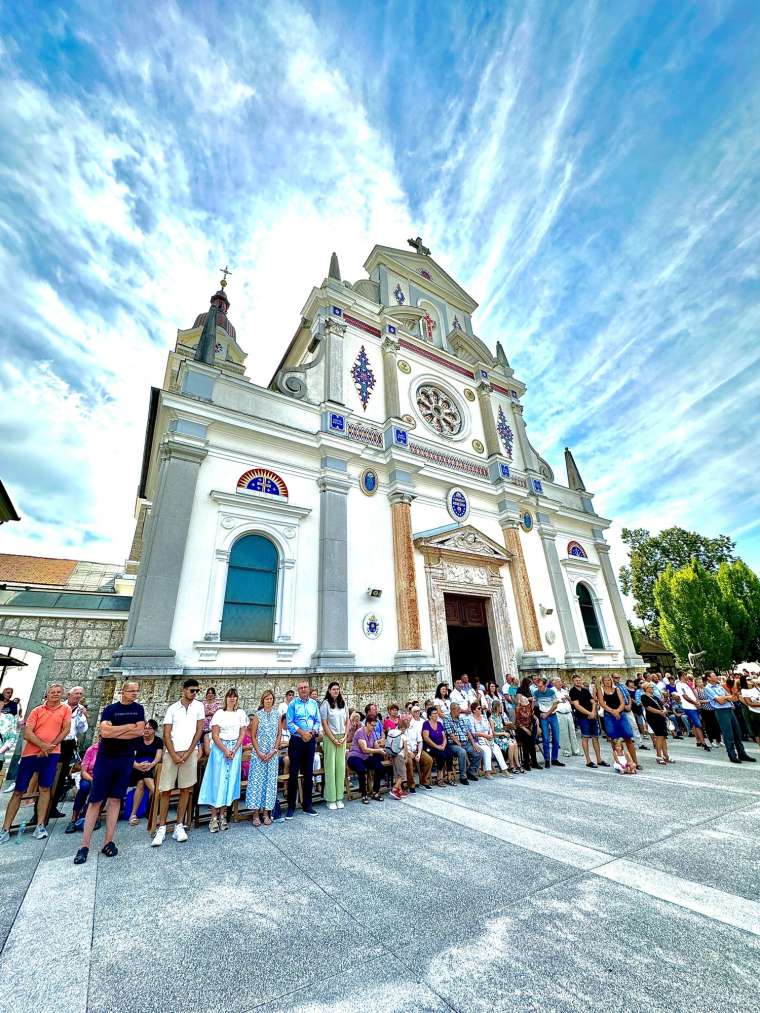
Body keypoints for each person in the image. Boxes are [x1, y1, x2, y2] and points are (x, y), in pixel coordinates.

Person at [74, 681, 145, 864]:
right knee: (95, 801)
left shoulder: (138, 709)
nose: (134, 694)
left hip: (125, 759)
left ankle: (108, 841)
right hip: (106, 759)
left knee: (115, 800)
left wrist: (117, 731)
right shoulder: (110, 709)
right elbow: (104, 733)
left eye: (137, 691)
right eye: (131, 691)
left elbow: (138, 732)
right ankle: (84, 845)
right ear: (123, 691)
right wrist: (127, 728)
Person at [0, 682, 71, 844]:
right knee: (19, 790)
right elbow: (27, 733)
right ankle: (5, 827)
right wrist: (42, 746)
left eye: (58, 692)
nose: (55, 694)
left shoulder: (65, 710)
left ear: (62, 694)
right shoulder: (37, 710)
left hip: (52, 754)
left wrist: (50, 746)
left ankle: (40, 825)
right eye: (52, 691)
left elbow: (65, 729)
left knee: (45, 788)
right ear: (47, 693)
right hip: (30, 754)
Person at [152, 678, 205, 846]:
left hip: (189, 752)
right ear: (184, 690)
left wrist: (190, 752)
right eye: (192, 690)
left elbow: (199, 731)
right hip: (172, 751)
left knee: (185, 789)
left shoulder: (199, 707)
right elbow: (166, 733)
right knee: (166, 789)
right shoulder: (173, 709)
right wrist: (173, 754)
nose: (195, 693)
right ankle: (161, 827)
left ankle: (179, 824)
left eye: (197, 691)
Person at [199, 688, 247, 833]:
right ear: (226, 698)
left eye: (234, 697)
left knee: (228, 782)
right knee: (217, 782)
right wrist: (225, 750)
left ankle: (223, 815)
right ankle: (213, 817)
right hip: (220, 749)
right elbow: (215, 735)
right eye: (229, 696)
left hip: (235, 749)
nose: (232, 699)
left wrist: (234, 749)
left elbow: (242, 733)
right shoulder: (219, 713)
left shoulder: (241, 713)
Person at [48, 685, 88, 819]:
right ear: (69, 695)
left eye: (80, 694)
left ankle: (52, 807)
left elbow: (82, 729)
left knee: (61, 776)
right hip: (55, 742)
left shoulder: (80, 710)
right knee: (49, 775)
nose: (78, 696)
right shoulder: (60, 707)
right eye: (76, 693)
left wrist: (82, 716)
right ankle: (41, 809)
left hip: (69, 744)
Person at [245, 689, 282, 825]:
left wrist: (274, 750)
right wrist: (259, 752)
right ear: (263, 700)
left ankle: (266, 813)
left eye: (271, 699)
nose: (269, 701)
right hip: (259, 754)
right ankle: (255, 814)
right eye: (267, 699)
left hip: (272, 754)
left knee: (269, 783)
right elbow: (253, 735)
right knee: (257, 783)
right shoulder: (257, 716)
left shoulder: (277, 715)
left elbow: (279, 734)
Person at [285, 680, 321, 818]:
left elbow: (317, 721)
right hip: (296, 741)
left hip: (310, 741)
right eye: (301, 688)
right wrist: (302, 733)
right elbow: (289, 723)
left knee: (308, 773)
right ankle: (291, 807)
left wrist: (311, 733)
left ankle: (307, 805)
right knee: (293, 774)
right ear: (298, 690)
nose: (303, 689)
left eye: (305, 687)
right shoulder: (293, 704)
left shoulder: (313, 704)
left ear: (309, 688)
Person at [704, 672, 756, 765]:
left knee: (737, 732)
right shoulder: (707, 688)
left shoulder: (719, 686)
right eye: (714, 676)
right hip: (721, 711)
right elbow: (720, 701)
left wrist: (726, 698)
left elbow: (733, 698)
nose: (716, 677)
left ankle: (742, 754)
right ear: (709, 678)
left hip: (729, 709)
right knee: (728, 734)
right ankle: (732, 755)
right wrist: (727, 698)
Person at [597, 674, 639, 770]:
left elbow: (622, 702)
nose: (608, 682)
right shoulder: (601, 690)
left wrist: (618, 711)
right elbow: (602, 703)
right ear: (603, 682)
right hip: (609, 716)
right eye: (606, 680)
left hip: (621, 714)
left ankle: (634, 761)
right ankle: (619, 762)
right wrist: (612, 711)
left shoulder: (617, 689)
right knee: (614, 740)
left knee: (628, 737)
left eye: (609, 680)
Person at [128, 719, 163, 825]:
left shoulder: (158, 741)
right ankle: (158, 795)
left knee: (141, 782)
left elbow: (158, 757)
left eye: (149, 728)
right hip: (136, 767)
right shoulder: (137, 740)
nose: (146, 730)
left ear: (155, 730)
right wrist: (138, 765)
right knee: (141, 778)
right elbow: (130, 757)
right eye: (145, 728)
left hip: (152, 767)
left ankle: (133, 815)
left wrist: (151, 765)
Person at [568, 675, 608, 769]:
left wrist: (593, 712)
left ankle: (599, 759)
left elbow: (593, 702)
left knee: (595, 738)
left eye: (579, 680)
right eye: (576, 680)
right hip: (582, 717)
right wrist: (589, 713)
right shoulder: (573, 691)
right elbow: (577, 706)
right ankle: (588, 760)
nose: (578, 681)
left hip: (592, 715)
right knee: (585, 737)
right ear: (573, 681)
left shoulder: (585, 690)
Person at [320, 682, 347, 811]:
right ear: (329, 690)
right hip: (330, 737)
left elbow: (347, 722)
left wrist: (345, 736)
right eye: (333, 689)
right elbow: (324, 723)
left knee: (340, 768)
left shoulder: (343, 703)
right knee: (330, 768)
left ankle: (339, 797)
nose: (336, 691)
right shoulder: (325, 704)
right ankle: (330, 798)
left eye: (338, 689)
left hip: (342, 737)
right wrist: (333, 739)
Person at [347, 712, 385, 803]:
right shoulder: (360, 732)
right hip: (354, 757)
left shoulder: (372, 733)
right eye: (372, 725)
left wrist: (382, 750)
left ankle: (375, 792)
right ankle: (364, 794)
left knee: (379, 767)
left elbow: (375, 745)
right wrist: (379, 751)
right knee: (361, 769)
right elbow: (364, 749)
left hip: (365, 757)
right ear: (367, 723)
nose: (374, 727)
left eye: (375, 726)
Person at [65, 737, 100, 833]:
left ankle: (94, 816)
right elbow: (83, 772)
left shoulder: (110, 751)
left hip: (102, 779)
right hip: (89, 777)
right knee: (84, 787)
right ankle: (74, 818)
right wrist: (92, 780)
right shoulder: (91, 750)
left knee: (101, 788)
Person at [443, 702, 482, 784]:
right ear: (452, 710)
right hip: (453, 744)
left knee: (479, 751)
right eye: (458, 709)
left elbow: (468, 732)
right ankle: (463, 776)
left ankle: (471, 771)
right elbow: (451, 734)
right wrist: (459, 744)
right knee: (462, 752)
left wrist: (474, 744)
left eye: (460, 709)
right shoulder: (447, 719)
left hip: (465, 742)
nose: (460, 711)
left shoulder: (461, 719)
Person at [470, 702, 509, 776]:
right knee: (487, 750)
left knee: (496, 748)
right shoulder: (471, 719)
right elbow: (473, 733)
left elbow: (489, 728)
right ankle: (487, 772)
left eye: (481, 708)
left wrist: (490, 734)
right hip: (479, 740)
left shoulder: (484, 717)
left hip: (488, 738)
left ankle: (504, 769)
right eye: (478, 708)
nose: (480, 709)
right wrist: (484, 735)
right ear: (474, 710)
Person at [674, 672, 709, 750]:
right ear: (682, 676)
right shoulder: (679, 685)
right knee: (698, 724)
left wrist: (696, 702)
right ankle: (704, 743)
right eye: (686, 675)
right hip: (689, 707)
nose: (687, 677)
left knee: (694, 723)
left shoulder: (686, 684)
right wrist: (695, 703)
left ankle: (698, 741)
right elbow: (685, 696)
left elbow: (691, 695)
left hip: (693, 706)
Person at [534, 677, 564, 769]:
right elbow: (534, 704)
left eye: (541, 686)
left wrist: (547, 714)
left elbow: (555, 705)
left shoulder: (551, 692)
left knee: (556, 738)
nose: (539, 688)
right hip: (543, 716)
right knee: (545, 738)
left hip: (552, 715)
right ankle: (547, 759)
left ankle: (554, 758)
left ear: (545, 685)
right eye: (538, 686)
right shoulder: (536, 693)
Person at [640, 682, 671, 765]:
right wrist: (660, 712)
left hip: (661, 717)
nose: (652, 688)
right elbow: (648, 708)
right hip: (653, 718)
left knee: (663, 736)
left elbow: (662, 705)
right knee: (659, 736)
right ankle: (658, 756)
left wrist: (664, 710)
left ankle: (666, 755)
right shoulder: (644, 696)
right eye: (651, 687)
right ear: (646, 688)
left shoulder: (655, 697)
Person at [422, 705, 453, 786]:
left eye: (436, 713)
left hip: (440, 745)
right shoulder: (426, 724)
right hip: (430, 747)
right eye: (434, 713)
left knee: (449, 754)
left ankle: (449, 777)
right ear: (429, 716)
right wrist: (437, 746)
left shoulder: (439, 724)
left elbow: (444, 736)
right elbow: (426, 738)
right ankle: (439, 777)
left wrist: (443, 744)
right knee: (441, 755)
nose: (436, 715)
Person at [405, 704, 432, 790]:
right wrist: (409, 753)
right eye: (406, 720)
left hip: (417, 750)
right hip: (407, 751)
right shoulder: (401, 729)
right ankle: (411, 784)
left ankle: (424, 781)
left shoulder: (415, 727)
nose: (408, 722)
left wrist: (419, 753)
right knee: (409, 763)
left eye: (408, 720)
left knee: (429, 760)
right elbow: (402, 745)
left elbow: (420, 741)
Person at [514, 678, 539, 772]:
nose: (526, 700)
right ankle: (526, 763)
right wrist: (526, 729)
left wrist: (536, 719)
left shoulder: (529, 708)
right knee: (526, 743)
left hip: (529, 727)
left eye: (526, 699)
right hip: (522, 730)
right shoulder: (518, 709)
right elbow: (518, 723)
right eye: (524, 699)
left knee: (532, 743)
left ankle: (534, 762)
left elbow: (532, 715)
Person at [552, 677, 581, 758]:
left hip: (568, 712)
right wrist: (561, 699)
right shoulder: (551, 691)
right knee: (564, 733)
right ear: (554, 683)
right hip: (559, 713)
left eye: (560, 681)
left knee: (572, 732)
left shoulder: (564, 690)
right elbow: (552, 701)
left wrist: (569, 698)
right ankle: (566, 751)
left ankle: (576, 750)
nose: (560, 683)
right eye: (558, 681)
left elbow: (571, 701)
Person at [491, 700, 521, 772]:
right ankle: (511, 766)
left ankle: (517, 764)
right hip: (497, 738)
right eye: (500, 706)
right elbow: (493, 733)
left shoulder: (500, 716)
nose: (502, 708)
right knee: (511, 744)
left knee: (514, 743)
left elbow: (503, 726)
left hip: (503, 737)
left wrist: (508, 728)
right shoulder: (491, 718)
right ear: (497, 707)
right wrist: (503, 733)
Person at [386, 713, 411, 799]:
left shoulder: (393, 733)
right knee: (402, 775)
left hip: (393, 755)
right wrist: (406, 758)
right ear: (403, 728)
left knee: (397, 774)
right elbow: (406, 748)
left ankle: (399, 791)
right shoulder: (403, 736)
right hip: (400, 756)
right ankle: (394, 789)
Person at [695, 676, 722, 746]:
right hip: (705, 710)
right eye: (699, 682)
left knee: (716, 724)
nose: (701, 683)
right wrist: (706, 701)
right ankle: (711, 741)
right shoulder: (696, 690)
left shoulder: (706, 688)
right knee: (708, 726)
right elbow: (697, 701)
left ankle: (719, 740)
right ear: (696, 683)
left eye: (701, 682)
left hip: (712, 708)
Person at [740, 678, 760, 747]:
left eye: (750, 679)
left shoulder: (757, 687)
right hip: (754, 713)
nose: (750, 681)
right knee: (757, 732)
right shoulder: (744, 691)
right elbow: (749, 703)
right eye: (748, 680)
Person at [202, 687, 221, 756]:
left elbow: (219, 714)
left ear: (214, 695)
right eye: (208, 693)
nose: (210, 695)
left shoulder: (217, 704)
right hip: (203, 728)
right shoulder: (202, 704)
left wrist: (211, 713)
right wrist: (208, 713)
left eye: (212, 693)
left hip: (212, 728)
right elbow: (199, 714)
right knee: (202, 744)